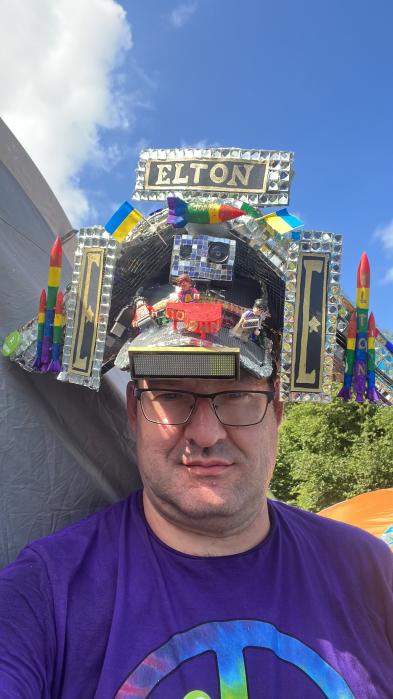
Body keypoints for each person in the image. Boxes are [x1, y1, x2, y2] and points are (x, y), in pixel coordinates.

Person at [1, 150, 392, 697]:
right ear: (135, 411)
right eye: (173, 395)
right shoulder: (45, 596)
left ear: (277, 411)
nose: (206, 434)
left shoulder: (372, 574)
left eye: (235, 396)